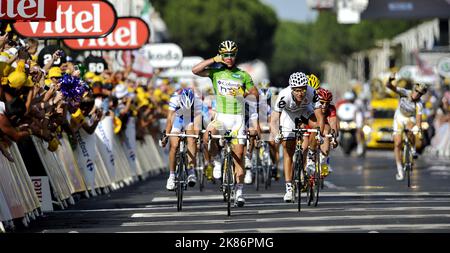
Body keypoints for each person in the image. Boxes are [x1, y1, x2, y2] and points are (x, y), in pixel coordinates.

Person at [192, 40, 259, 207]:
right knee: (209, 134)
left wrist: (243, 92)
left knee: (239, 157)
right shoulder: (216, 71)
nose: (229, 58)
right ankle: (216, 161)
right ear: (221, 55)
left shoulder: (243, 74)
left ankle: (239, 192)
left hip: (237, 119)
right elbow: (195, 70)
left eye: (232, 55)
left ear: (235, 56)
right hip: (221, 117)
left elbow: (255, 94)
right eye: (226, 55)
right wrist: (214, 59)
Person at [270, 72, 324, 202]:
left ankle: (310, 156)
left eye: (303, 90)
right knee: (288, 151)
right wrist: (277, 133)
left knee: (315, 127)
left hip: (305, 110)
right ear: (292, 89)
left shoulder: (312, 93)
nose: (300, 93)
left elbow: (320, 118)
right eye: (297, 90)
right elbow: (274, 119)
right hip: (288, 115)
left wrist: (319, 134)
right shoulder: (284, 95)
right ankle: (289, 188)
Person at [386, 74, 427, 181]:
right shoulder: (404, 92)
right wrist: (390, 80)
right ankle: (399, 170)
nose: (417, 94)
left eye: (420, 93)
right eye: (416, 91)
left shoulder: (419, 104)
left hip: (410, 118)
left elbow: (418, 118)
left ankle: (413, 149)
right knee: (398, 143)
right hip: (399, 117)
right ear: (413, 89)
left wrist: (418, 129)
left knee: (411, 128)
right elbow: (389, 87)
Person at [160, 88, 202, 191]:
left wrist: (197, 136)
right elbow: (170, 118)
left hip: (191, 118)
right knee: (174, 145)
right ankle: (171, 176)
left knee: (192, 140)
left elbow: (197, 120)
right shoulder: (175, 98)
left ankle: (191, 171)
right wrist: (166, 135)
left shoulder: (197, 100)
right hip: (178, 117)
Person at [316, 87, 339, 176]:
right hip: (312, 123)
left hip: (324, 125)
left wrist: (334, 138)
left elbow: (333, 124)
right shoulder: (312, 105)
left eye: (327, 103)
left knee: (327, 130)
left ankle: (324, 161)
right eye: (322, 103)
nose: (324, 106)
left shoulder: (331, 108)